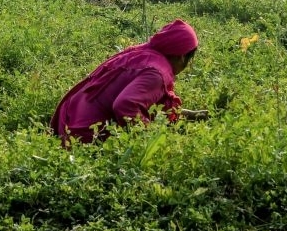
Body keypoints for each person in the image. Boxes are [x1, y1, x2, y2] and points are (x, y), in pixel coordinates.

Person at [50, 19, 208, 146]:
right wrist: (149, 141)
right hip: (84, 138)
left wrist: (190, 115)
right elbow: (125, 105)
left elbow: (154, 106)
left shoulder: (143, 54)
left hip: (69, 118)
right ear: (182, 57)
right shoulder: (158, 73)